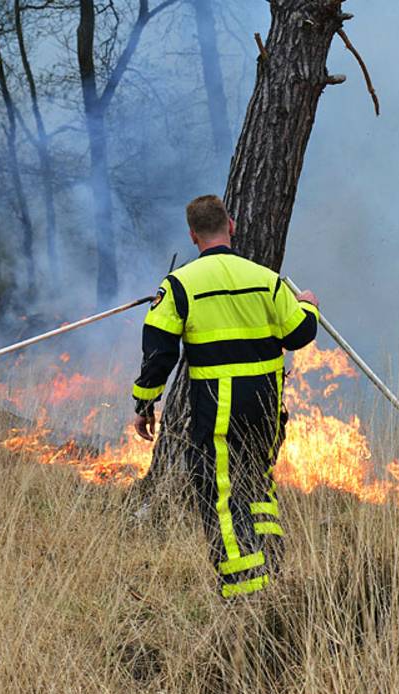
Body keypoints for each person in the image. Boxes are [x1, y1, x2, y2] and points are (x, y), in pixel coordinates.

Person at [132, 194, 319, 599]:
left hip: (219, 407)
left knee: (220, 492)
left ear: (193, 235)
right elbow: (300, 334)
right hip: (268, 406)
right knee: (258, 482)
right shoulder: (267, 279)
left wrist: (145, 402)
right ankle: (271, 563)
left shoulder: (180, 285)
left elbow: (159, 353)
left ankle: (245, 588)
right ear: (231, 226)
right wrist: (309, 306)